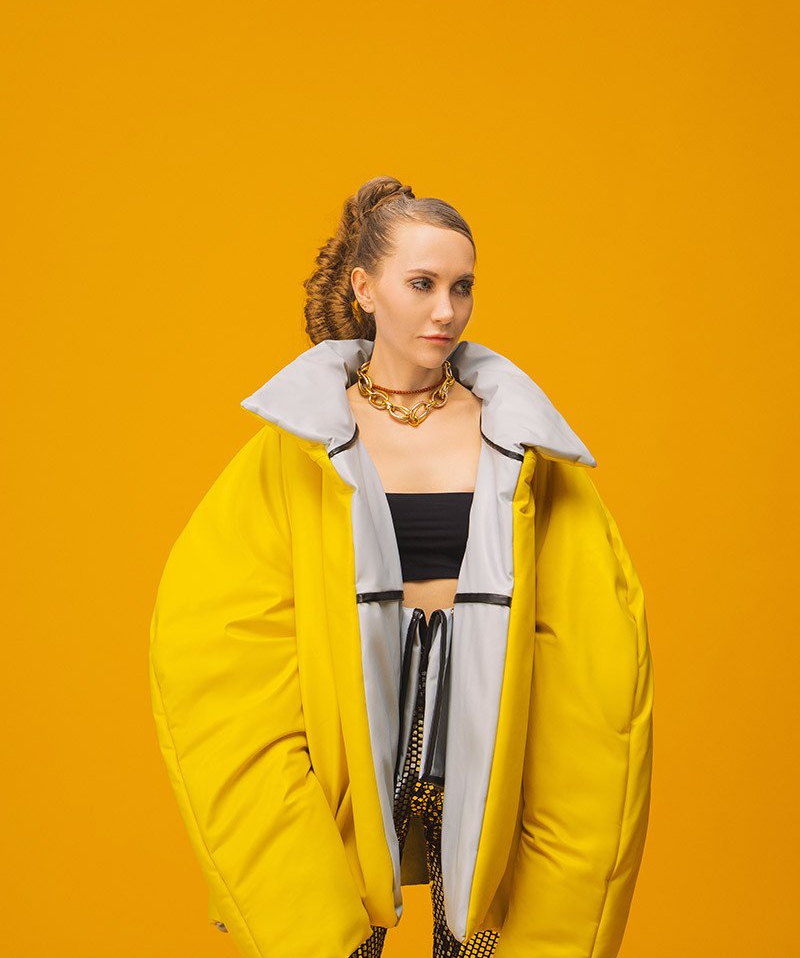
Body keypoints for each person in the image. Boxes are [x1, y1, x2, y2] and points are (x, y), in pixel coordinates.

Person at [149, 176, 655, 958]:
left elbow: (594, 639)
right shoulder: (302, 443)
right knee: (341, 932)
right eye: (422, 284)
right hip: (353, 735)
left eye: (462, 287)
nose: (445, 309)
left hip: (486, 728)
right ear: (365, 288)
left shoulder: (516, 440)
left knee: (480, 932)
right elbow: (219, 634)